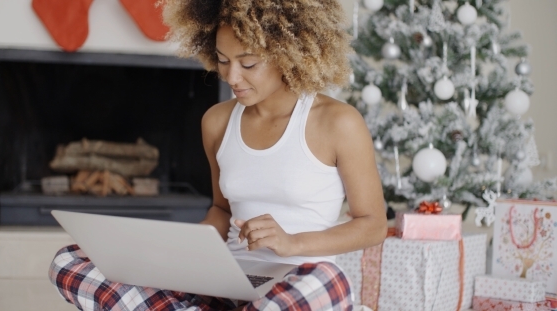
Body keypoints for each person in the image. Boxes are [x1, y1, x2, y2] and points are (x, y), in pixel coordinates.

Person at [49, 0, 388, 310]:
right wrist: (191, 248)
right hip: (226, 282)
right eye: (223, 61)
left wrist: (292, 242)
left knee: (328, 282)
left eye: (248, 63)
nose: (231, 77)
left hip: (298, 281)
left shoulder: (338, 122)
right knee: (71, 262)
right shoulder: (217, 121)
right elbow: (221, 209)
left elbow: (372, 226)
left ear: (289, 53)